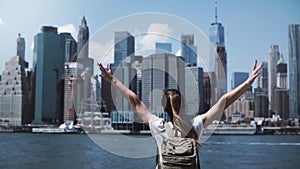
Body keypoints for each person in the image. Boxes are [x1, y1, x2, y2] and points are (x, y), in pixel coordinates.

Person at [98, 60, 263, 167]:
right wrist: (248, 82)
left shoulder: (158, 126)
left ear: (164, 109)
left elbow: (135, 100)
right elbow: (224, 101)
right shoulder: (195, 126)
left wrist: (112, 80)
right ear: (183, 106)